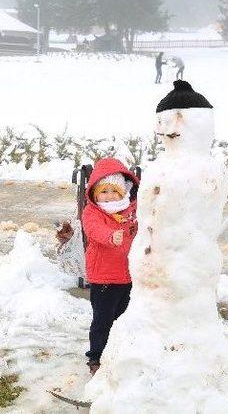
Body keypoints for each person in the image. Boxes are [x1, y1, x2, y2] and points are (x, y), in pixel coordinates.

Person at [81, 158, 139, 376]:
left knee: (123, 318)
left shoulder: (132, 210)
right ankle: (96, 356)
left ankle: (119, 352)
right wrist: (109, 235)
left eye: (113, 191)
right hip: (104, 278)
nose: (108, 195)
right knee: (102, 320)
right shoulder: (92, 212)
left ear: (123, 192)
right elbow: (93, 229)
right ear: (95, 193)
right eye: (103, 191)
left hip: (128, 276)